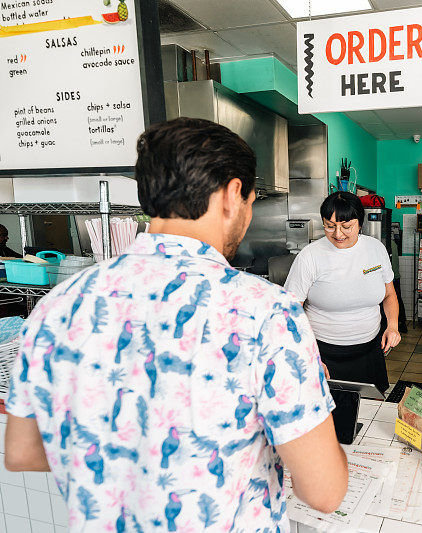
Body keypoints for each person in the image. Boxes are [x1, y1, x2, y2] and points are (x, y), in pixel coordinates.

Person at [3, 117, 347, 531]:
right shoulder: (265, 313)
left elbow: (22, 451)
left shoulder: (56, 306)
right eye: (252, 203)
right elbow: (324, 492)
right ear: (232, 194)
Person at [285, 191, 401, 393]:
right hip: (323, 354)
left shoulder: (376, 249)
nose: (338, 234)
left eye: (346, 227)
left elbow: (389, 294)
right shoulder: (310, 256)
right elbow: (289, 308)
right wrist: (307, 354)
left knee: (370, 407)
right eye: (329, 226)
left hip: (370, 350)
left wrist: (392, 326)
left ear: (360, 224)